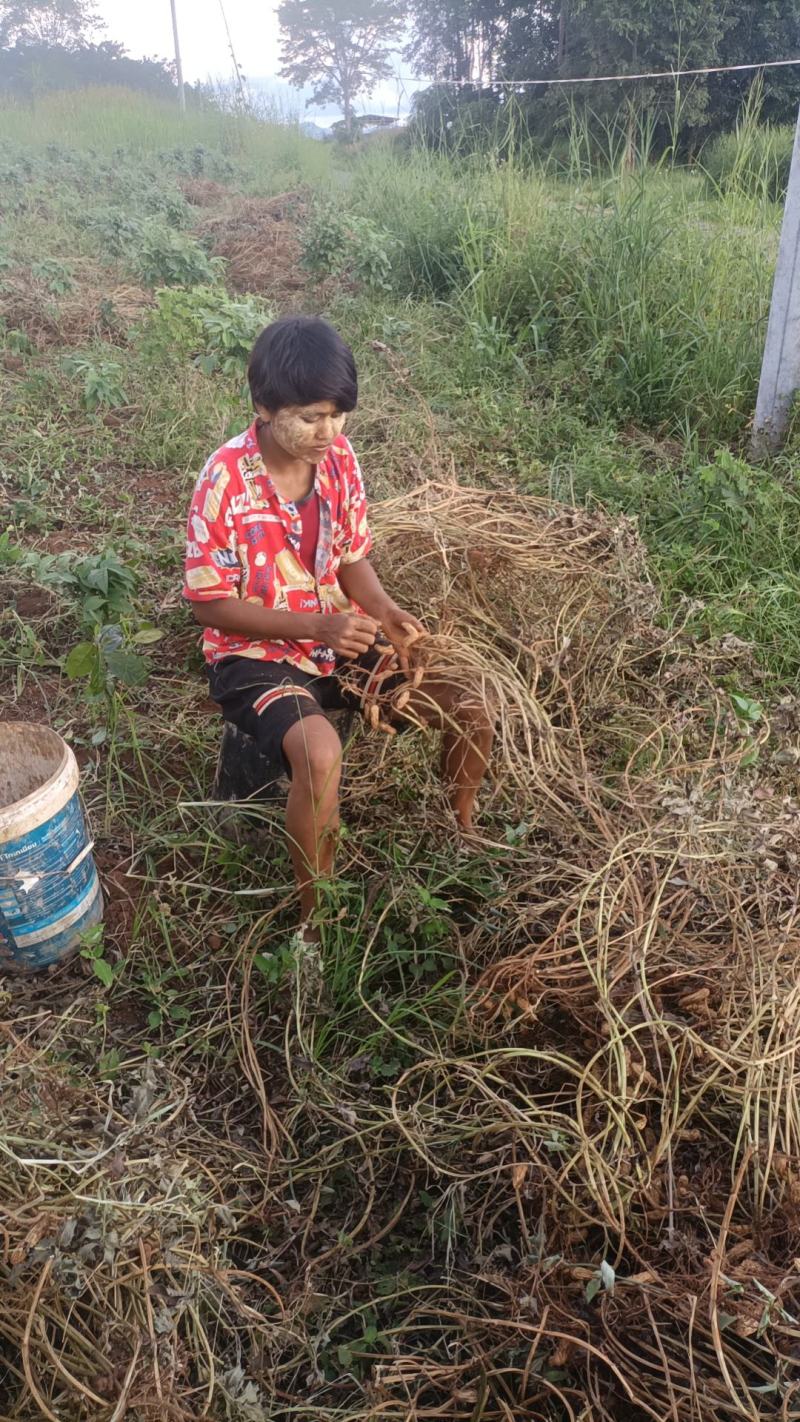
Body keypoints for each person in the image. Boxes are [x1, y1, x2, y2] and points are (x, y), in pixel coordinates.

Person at [184, 316, 493, 927]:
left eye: (337, 414)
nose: (328, 431)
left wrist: (384, 610)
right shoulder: (223, 481)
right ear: (264, 408)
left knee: (472, 698)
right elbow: (209, 603)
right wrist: (316, 627)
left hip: (336, 638)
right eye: (310, 417)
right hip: (253, 655)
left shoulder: (339, 460)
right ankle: (315, 919)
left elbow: (352, 557)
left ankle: (464, 829)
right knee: (320, 754)